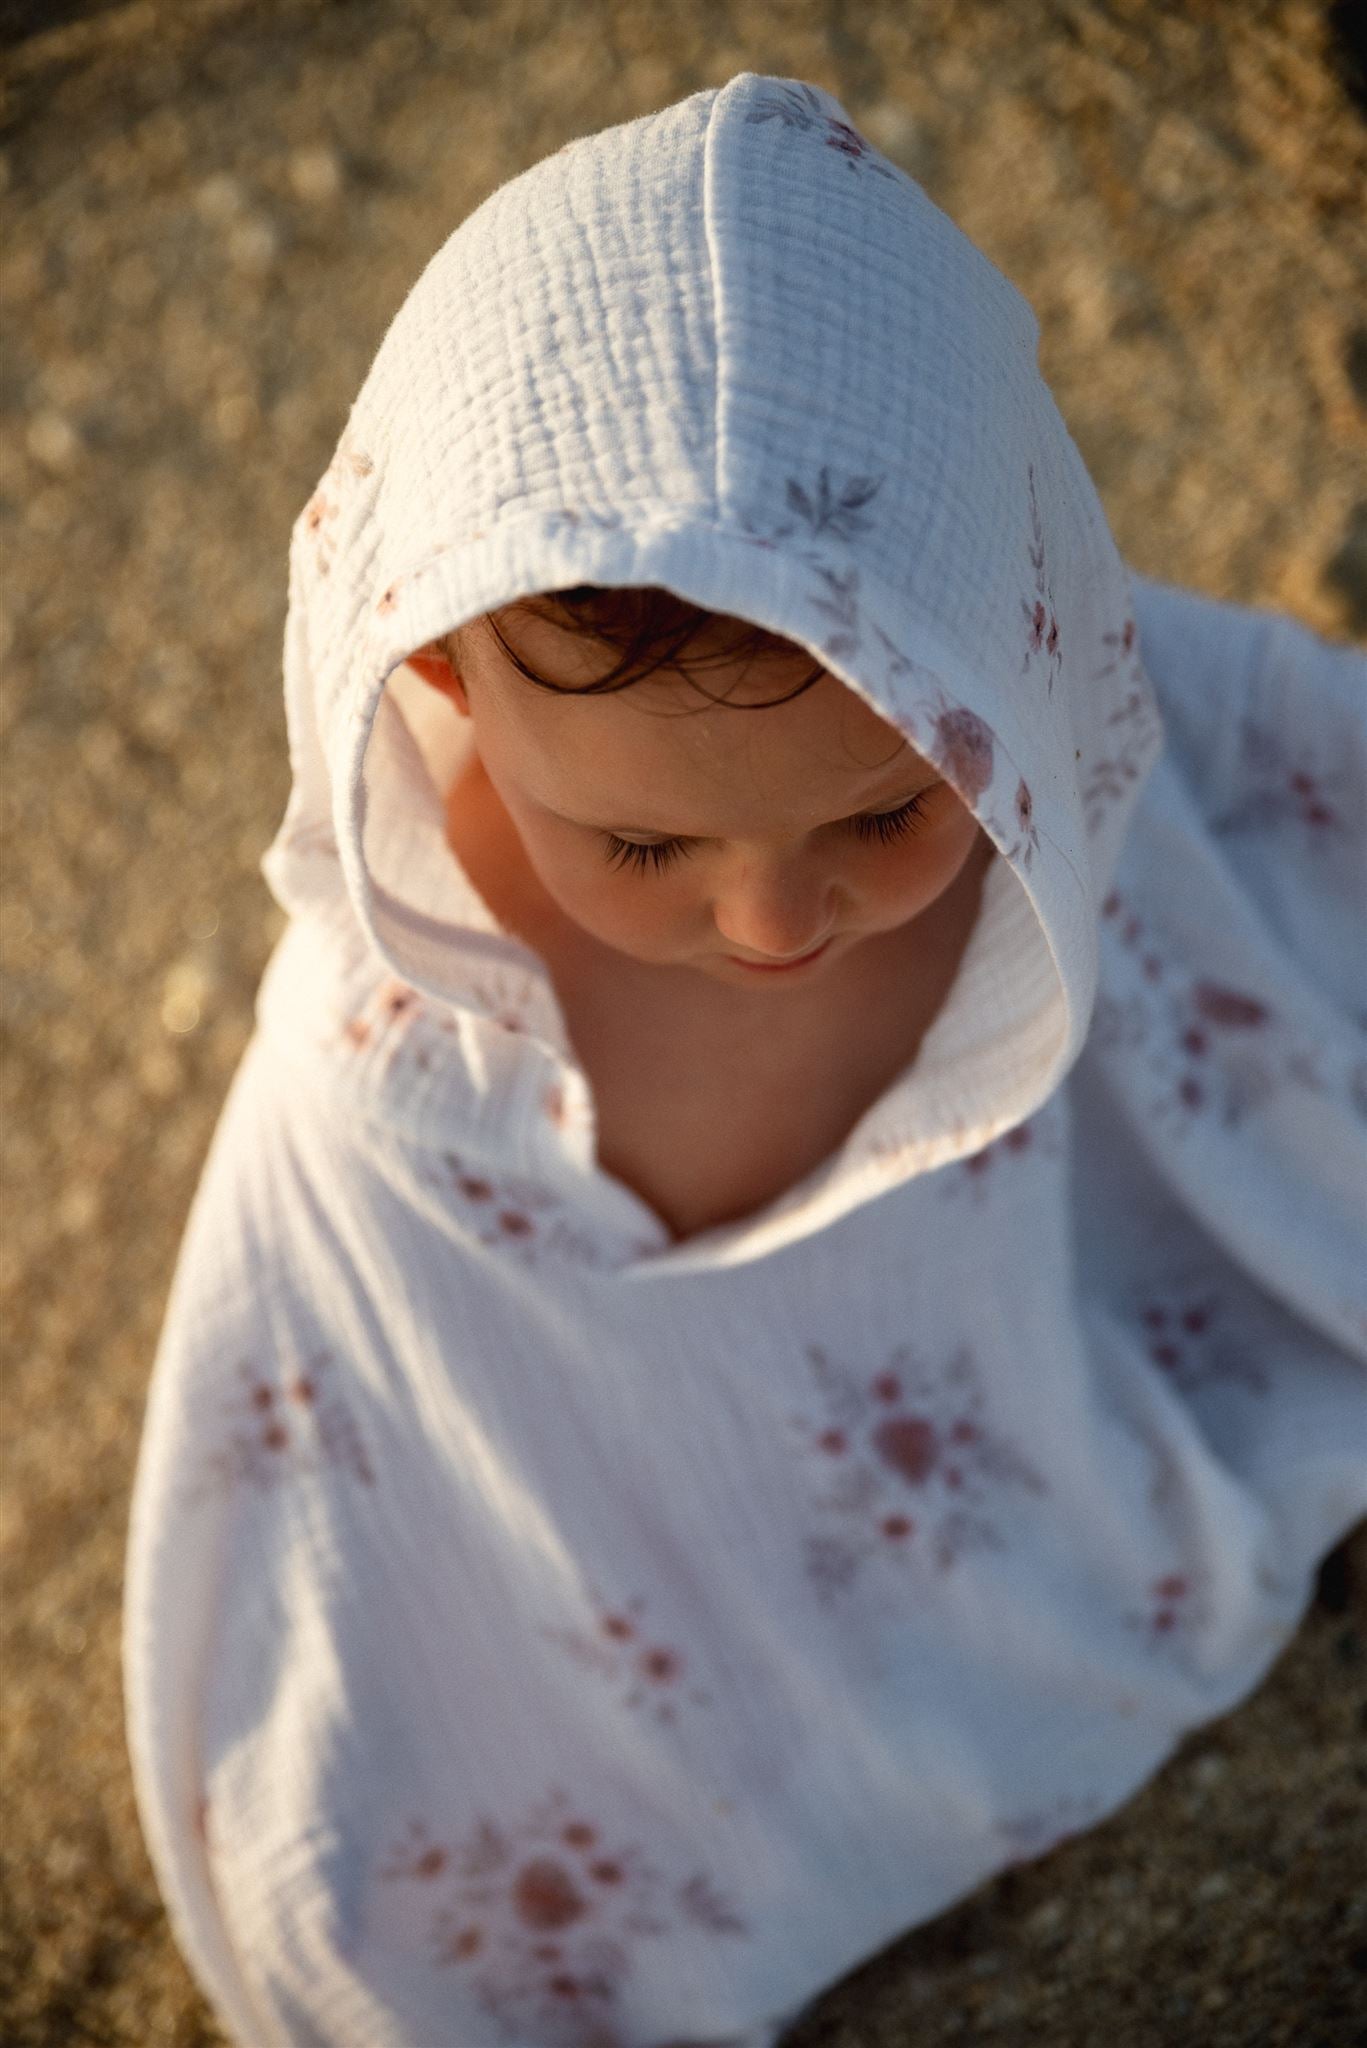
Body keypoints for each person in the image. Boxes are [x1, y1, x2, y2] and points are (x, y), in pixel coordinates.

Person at [122, 71, 1367, 2048]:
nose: (779, 925)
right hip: (673, 1688)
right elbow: (374, 1548)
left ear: (1014, 637)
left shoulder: (1073, 749)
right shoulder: (404, 1069)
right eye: (643, 847)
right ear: (436, 664)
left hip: (1050, 1421)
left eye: (884, 812)